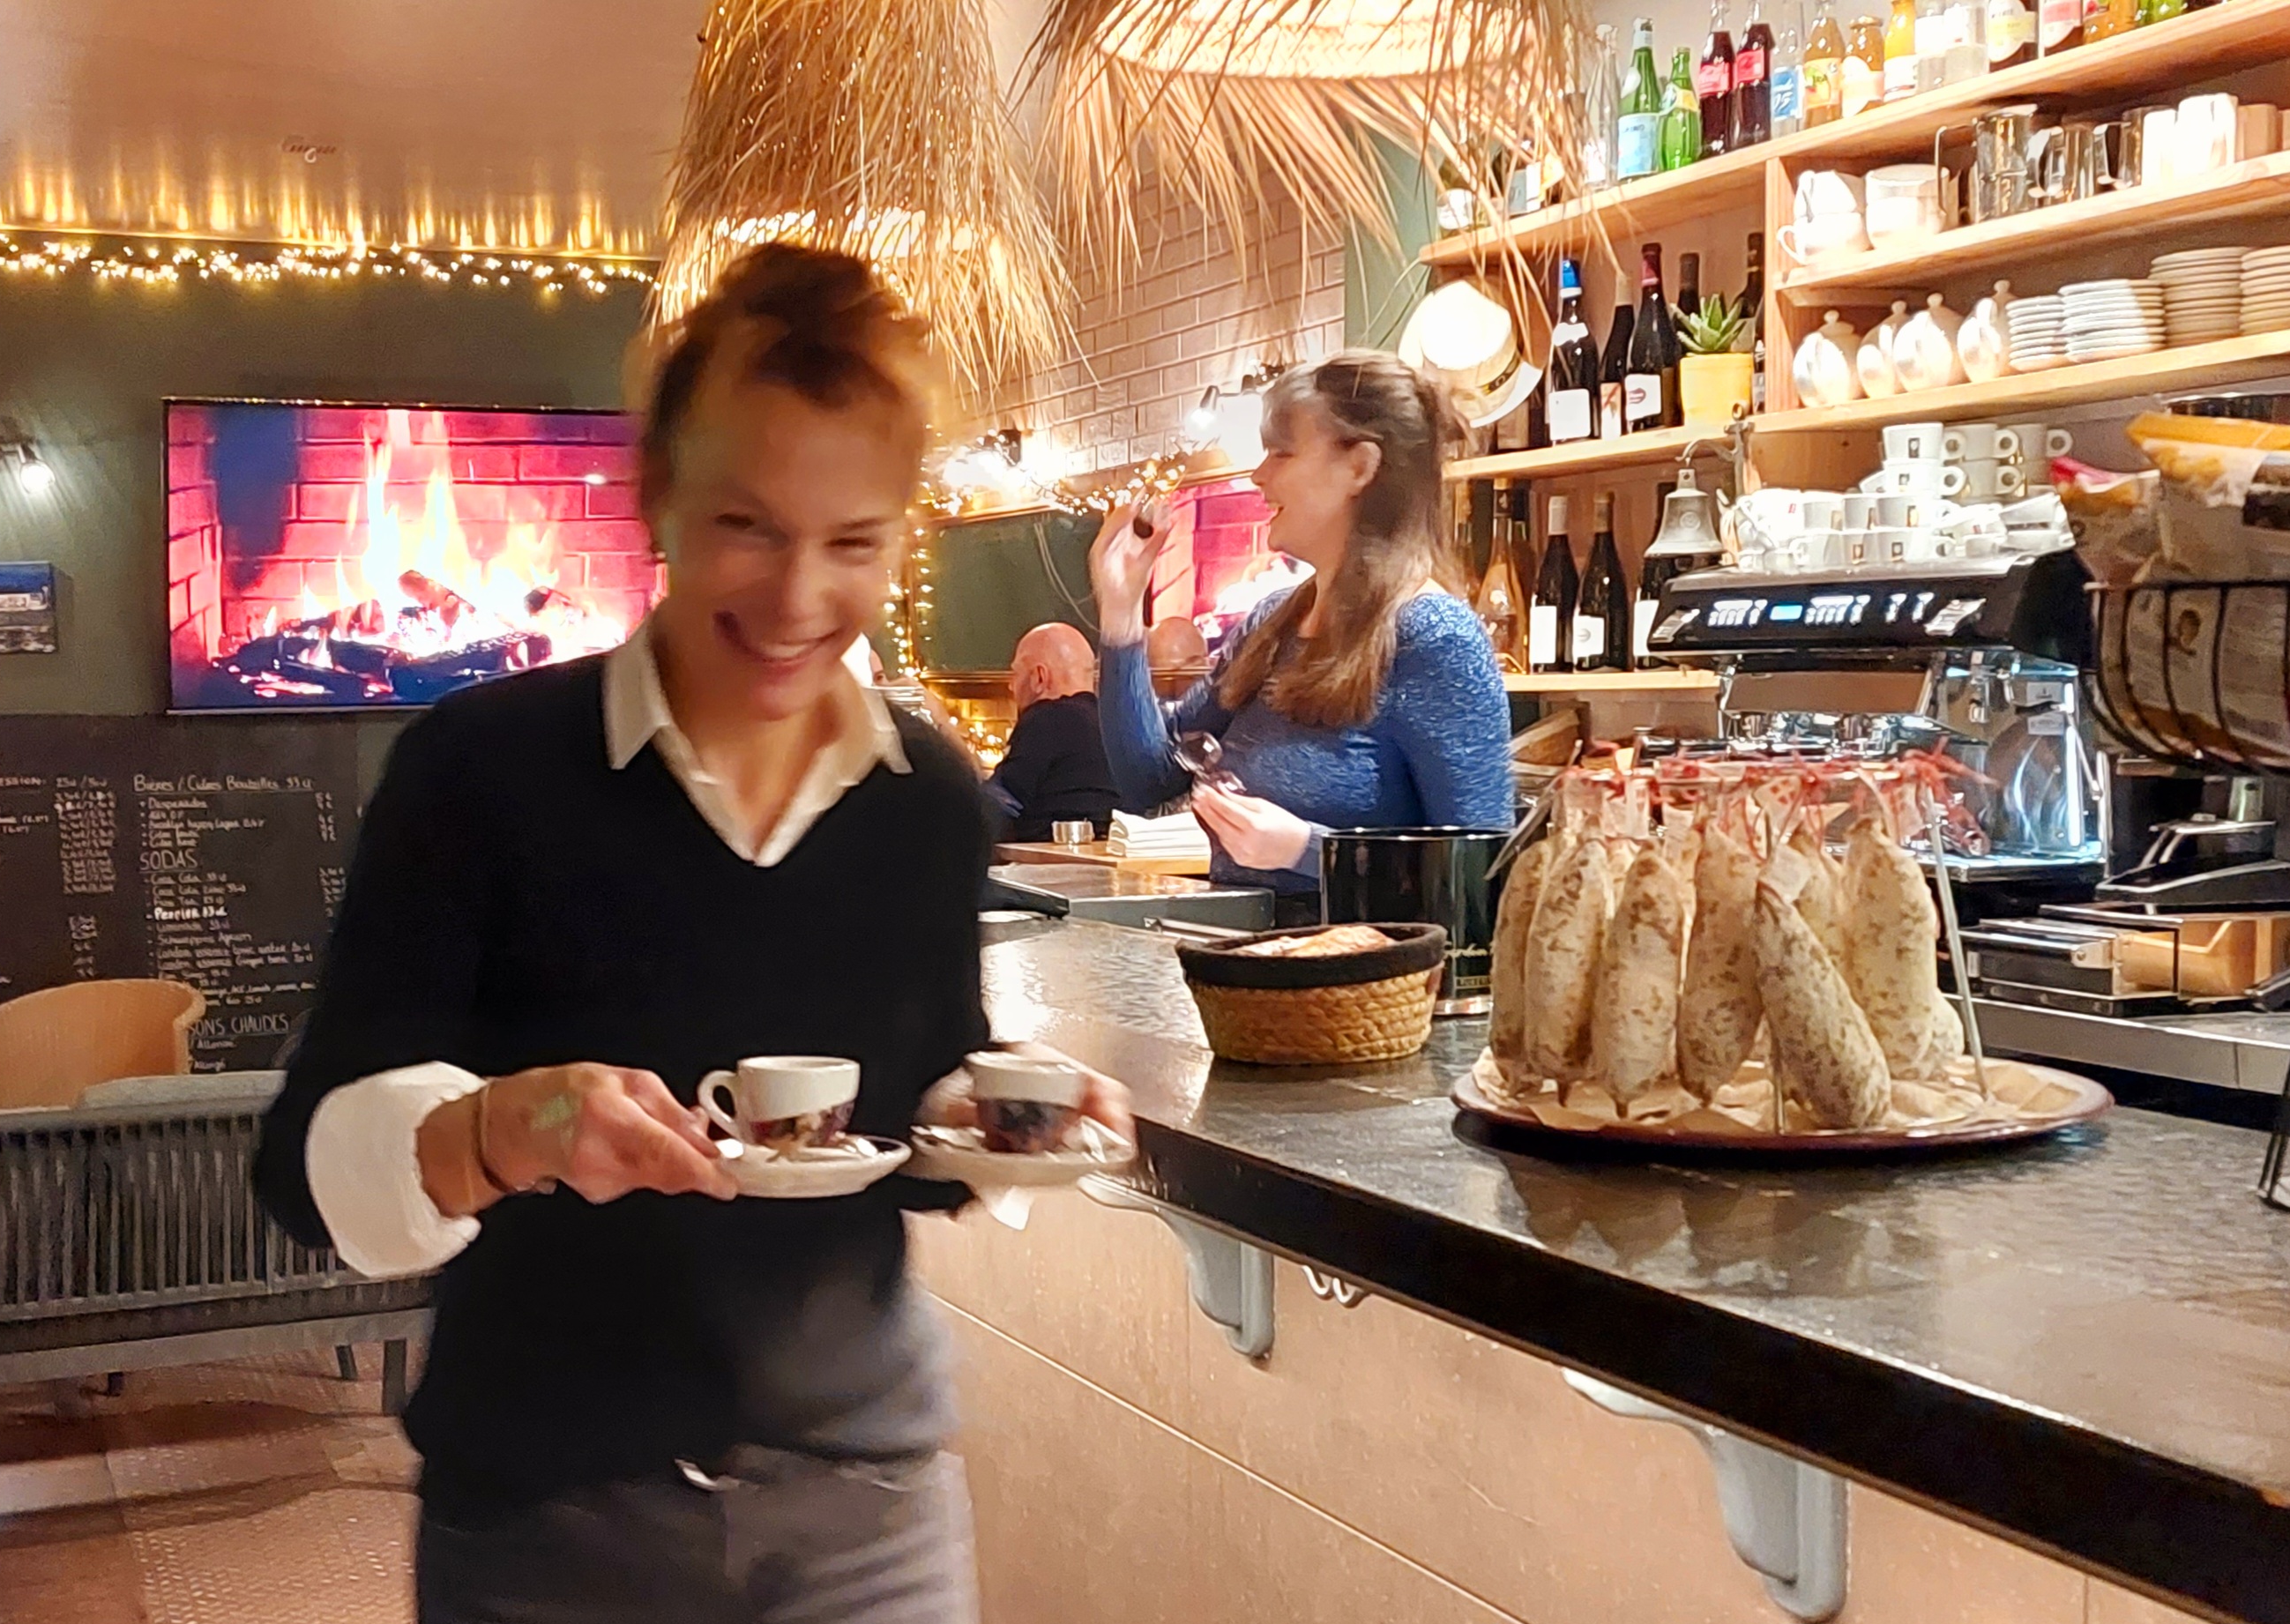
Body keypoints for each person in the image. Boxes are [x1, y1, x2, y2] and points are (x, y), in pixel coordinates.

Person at [251, 242, 1128, 1623]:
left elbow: (899, 1134)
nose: (797, 599)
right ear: (654, 490)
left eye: (852, 542)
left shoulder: (925, 801)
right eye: (747, 525)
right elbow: (304, 1171)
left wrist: (993, 1117)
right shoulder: (479, 772)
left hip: (865, 1506)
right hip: (548, 1517)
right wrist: (505, 1129)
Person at [1090, 350, 1515, 921]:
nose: (1258, 475)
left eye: (1282, 453)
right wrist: (1121, 616)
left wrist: (1306, 850)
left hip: (1363, 973)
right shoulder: (1273, 621)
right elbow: (1149, 779)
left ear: (1360, 467)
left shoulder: (1434, 637)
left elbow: (1482, 877)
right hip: (1248, 959)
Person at [984, 621, 1118, 838]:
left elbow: (999, 804)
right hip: (1113, 850)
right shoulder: (1117, 725)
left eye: (1015, 674)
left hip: (1047, 853)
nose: (1010, 686)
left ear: (1039, 677)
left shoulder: (1046, 718)